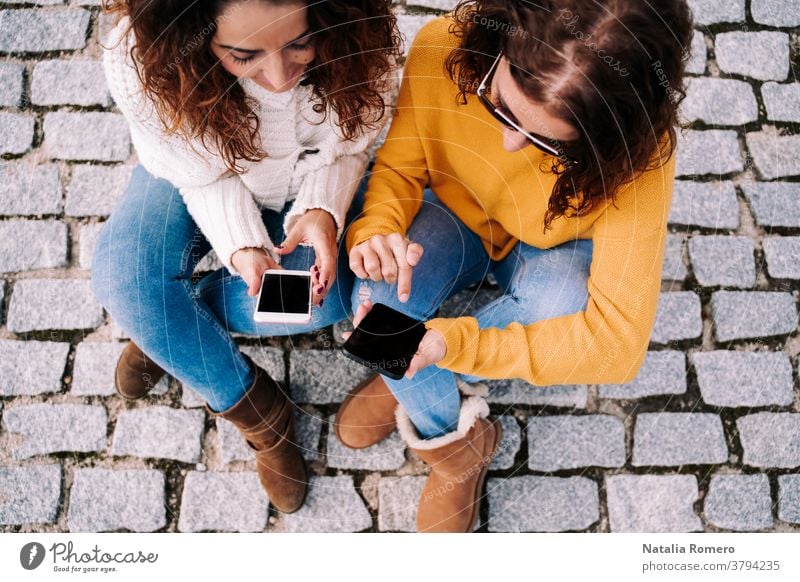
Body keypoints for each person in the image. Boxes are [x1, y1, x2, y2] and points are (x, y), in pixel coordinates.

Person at [333, 0, 692, 532]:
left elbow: (616, 347)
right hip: (453, 213)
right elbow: (400, 167)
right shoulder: (441, 46)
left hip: (551, 247)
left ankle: (413, 376)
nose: (509, 142)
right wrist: (377, 226)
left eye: (551, 143)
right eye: (499, 104)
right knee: (381, 293)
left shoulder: (641, 154)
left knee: (557, 306)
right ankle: (456, 445)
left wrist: (451, 344)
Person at [91, 0, 399, 513]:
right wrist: (242, 247)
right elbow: (200, 174)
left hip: (301, 179)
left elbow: (348, 147)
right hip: (193, 172)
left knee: (321, 300)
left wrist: (322, 208)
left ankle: (168, 332)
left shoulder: (364, 39)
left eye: (301, 42)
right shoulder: (140, 55)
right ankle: (262, 417)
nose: (278, 77)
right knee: (125, 280)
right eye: (243, 53)